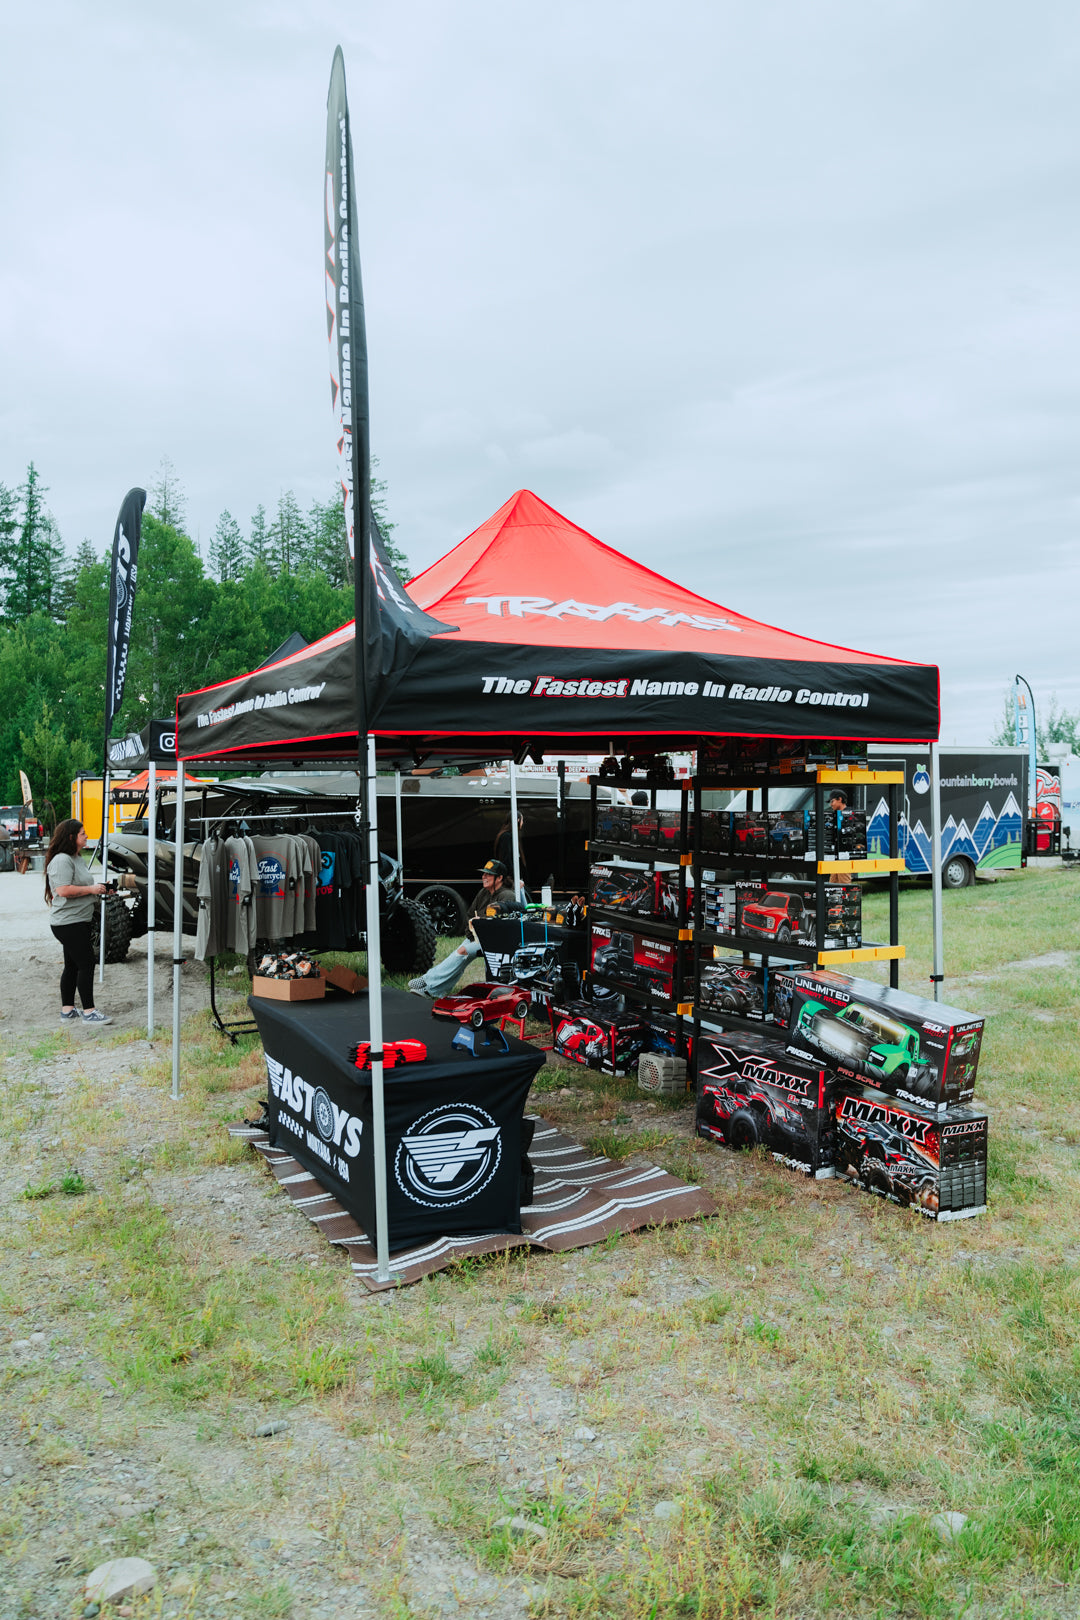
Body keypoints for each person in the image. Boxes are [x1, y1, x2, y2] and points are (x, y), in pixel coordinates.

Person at [408, 859, 520, 998]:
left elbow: (500, 925)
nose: (484, 877)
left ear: (500, 878)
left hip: (494, 940)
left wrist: (479, 924)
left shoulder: (507, 895)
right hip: (478, 936)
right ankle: (434, 990)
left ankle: (428, 982)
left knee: (462, 952)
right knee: (457, 957)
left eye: (488, 874)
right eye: (484, 873)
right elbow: (469, 914)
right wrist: (471, 931)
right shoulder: (483, 892)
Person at [44, 820, 113, 1025]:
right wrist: (91, 889)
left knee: (72, 965)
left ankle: (68, 1010)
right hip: (68, 922)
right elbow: (63, 890)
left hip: (78, 920)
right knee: (86, 963)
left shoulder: (77, 858)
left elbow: (81, 887)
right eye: (83, 833)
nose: (86, 835)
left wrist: (100, 889)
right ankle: (89, 1012)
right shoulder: (61, 860)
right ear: (71, 837)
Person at [494, 813, 527, 898]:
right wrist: (515, 879)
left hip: (514, 880)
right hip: (512, 881)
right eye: (522, 820)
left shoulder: (509, 836)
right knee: (521, 904)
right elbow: (506, 859)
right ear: (518, 820)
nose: (522, 823)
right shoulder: (506, 836)